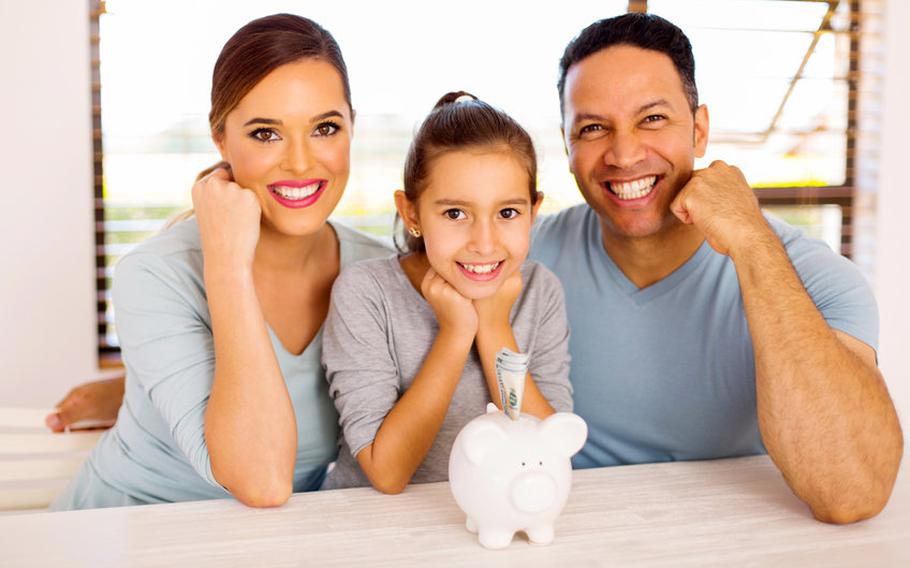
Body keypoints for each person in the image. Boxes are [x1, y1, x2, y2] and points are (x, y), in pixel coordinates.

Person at [529, 12, 902, 524]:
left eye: (652, 119)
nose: (624, 153)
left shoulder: (817, 278)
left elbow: (853, 493)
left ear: (699, 130)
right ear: (568, 146)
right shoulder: (516, 260)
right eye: (593, 128)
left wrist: (752, 243)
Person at [50, 14, 391, 510]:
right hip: (123, 533)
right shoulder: (154, 274)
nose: (299, 162)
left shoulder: (380, 274)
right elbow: (262, 481)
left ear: (352, 128)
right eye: (265, 134)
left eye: (324, 127)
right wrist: (228, 263)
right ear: (220, 139)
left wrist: (135, 385)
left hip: (271, 545)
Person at [320, 92, 574, 493]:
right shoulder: (366, 293)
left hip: (492, 515)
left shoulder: (540, 291)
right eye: (455, 213)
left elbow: (552, 449)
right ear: (412, 213)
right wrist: (456, 334)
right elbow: (387, 473)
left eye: (507, 213)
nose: (485, 243)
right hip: (370, 522)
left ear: (533, 210)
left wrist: (493, 327)